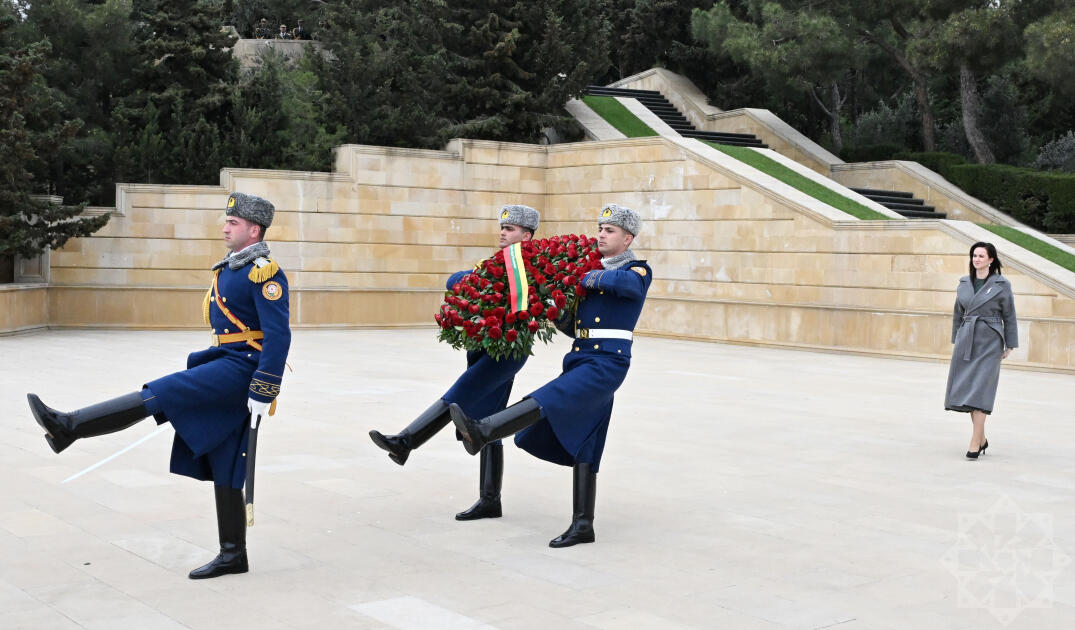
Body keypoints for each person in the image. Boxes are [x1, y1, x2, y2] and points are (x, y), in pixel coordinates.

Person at [28, 192, 291, 579]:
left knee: (161, 392)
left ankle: (71, 426)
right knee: (225, 459)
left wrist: (263, 389)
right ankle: (233, 554)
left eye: (233, 223)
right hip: (223, 362)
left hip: (242, 369)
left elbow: (278, 336)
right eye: (227, 221)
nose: (225, 227)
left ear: (254, 230)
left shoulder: (265, 273)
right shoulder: (231, 268)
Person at [450, 203, 652, 547]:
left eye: (610, 231)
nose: (601, 234)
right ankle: (583, 524)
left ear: (627, 238)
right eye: (600, 229)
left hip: (608, 363)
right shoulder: (590, 271)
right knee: (589, 442)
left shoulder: (636, 270)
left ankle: (485, 430)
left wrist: (586, 276)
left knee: (550, 396)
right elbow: (575, 328)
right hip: (581, 356)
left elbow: (627, 286)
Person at [368, 204, 541, 521]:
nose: (503, 232)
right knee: (489, 422)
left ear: (527, 235)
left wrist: (479, 283)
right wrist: (476, 280)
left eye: (511, 229)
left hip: (509, 350)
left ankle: (407, 440)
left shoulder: (533, 266)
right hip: (484, 345)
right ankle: (490, 500)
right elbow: (455, 280)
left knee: (460, 394)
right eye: (502, 227)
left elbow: (506, 294)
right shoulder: (493, 263)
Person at [944, 241, 1018, 459]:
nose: (977, 259)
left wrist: (1010, 344)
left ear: (991, 260)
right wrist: (957, 339)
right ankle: (982, 438)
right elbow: (958, 313)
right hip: (967, 340)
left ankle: (975, 442)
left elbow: (1009, 316)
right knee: (969, 390)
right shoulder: (964, 283)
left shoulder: (1001, 284)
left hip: (990, 342)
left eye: (981, 256)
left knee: (981, 390)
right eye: (974, 256)